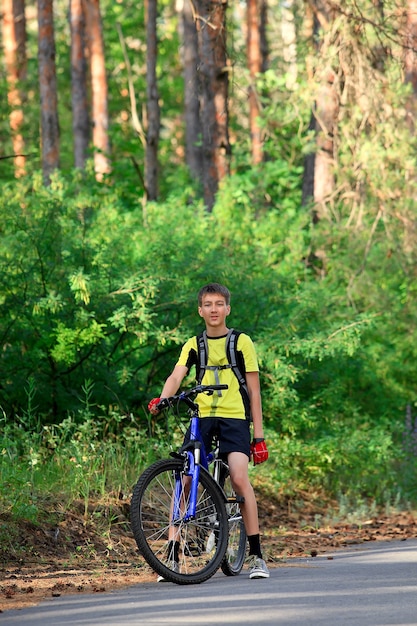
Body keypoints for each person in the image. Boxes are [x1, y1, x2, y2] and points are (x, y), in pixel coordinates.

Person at [148, 282, 270, 580]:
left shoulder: (242, 342)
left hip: (234, 417)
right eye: (208, 304)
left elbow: (254, 391)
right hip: (203, 416)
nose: (213, 309)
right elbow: (177, 375)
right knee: (186, 479)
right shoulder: (194, 344)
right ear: (200, 310)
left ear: (227, 308)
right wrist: (162, 399)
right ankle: (173, 556)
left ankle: (256, 555)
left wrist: (259, 437)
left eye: (219, 304)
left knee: (240, 478)